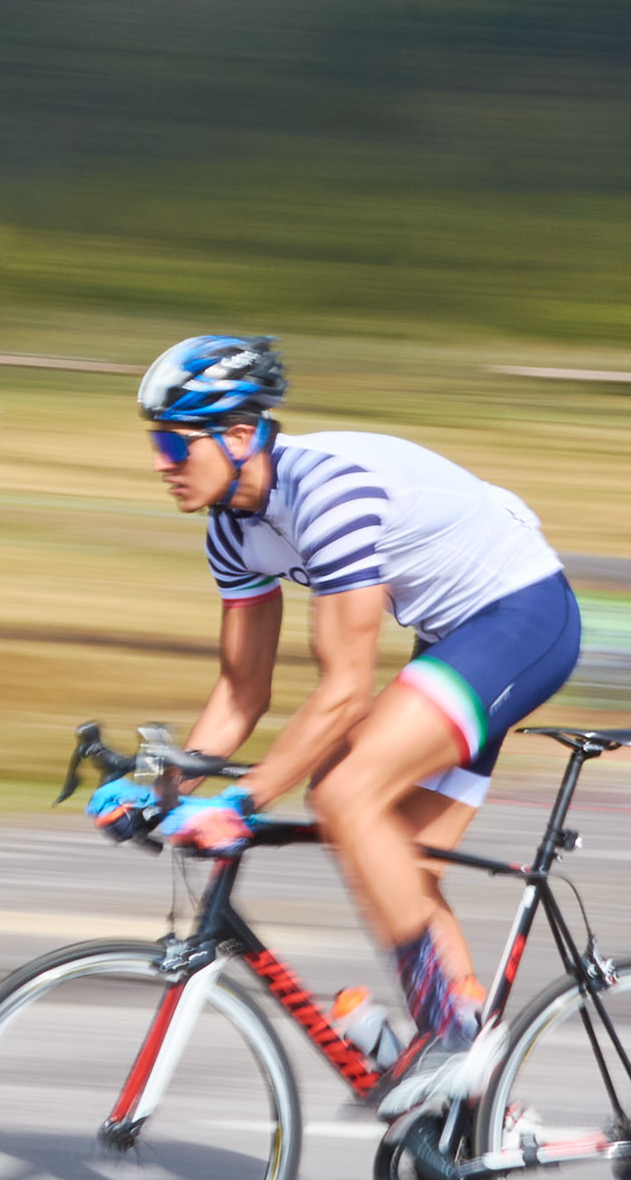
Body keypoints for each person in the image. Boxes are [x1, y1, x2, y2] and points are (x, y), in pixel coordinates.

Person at [89, 333, 582, 1114]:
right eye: (155, 443)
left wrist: (240, 800)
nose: (159, 462)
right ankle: (480, 1116)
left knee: (345, 791)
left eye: (174, 443)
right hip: (452, 638)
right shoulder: (232, 527)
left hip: (521, 616)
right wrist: (156, 783)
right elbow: (240, 692)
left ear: (240, 435)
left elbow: (346, 690)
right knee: (399, 859)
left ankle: (453, 1035)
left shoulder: (329, 495)